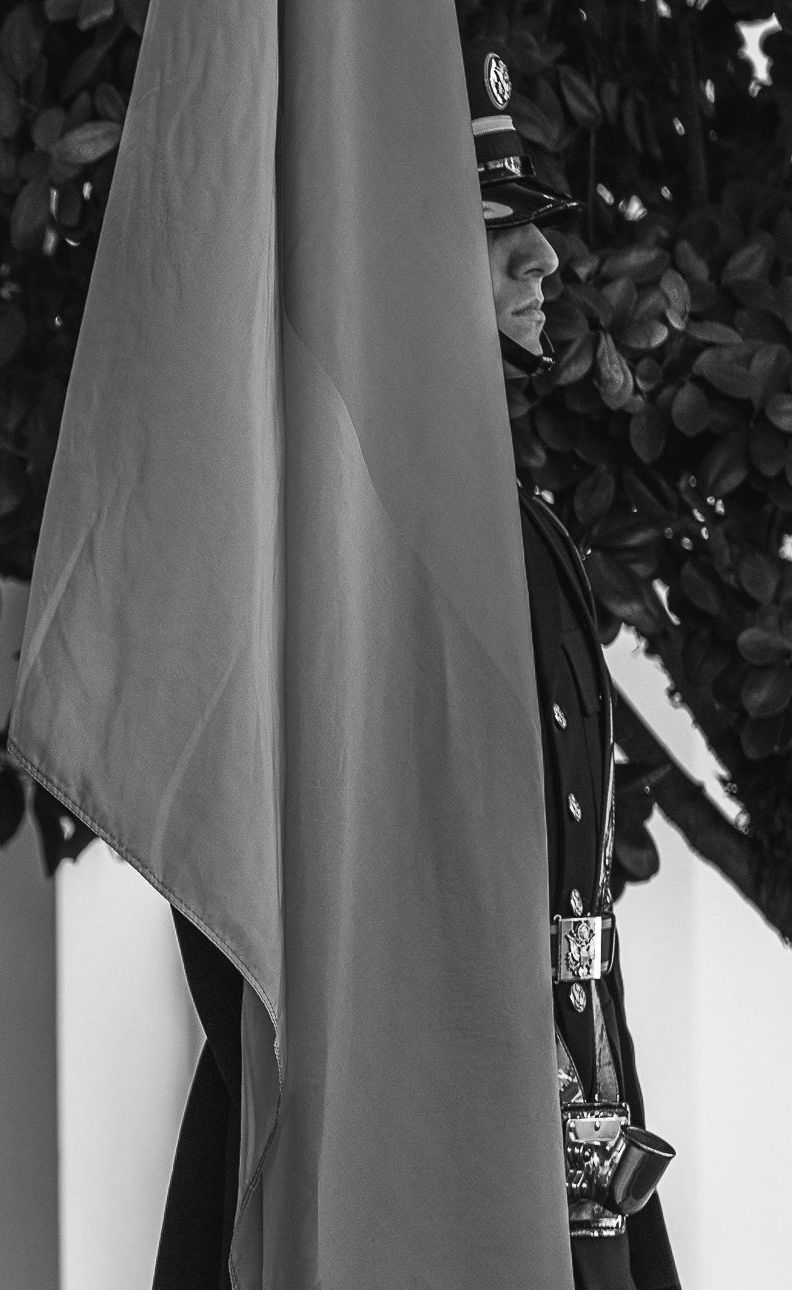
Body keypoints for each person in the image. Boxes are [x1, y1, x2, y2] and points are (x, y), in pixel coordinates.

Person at [151, 40, 680, 1290]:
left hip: (561, 1086)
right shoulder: (322, 543)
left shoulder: (513, 522)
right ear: (396, 242)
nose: (543, 258)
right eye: (493, 222)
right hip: (402, 1119)